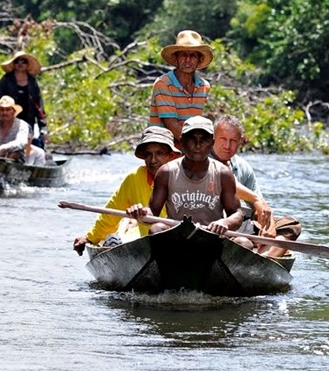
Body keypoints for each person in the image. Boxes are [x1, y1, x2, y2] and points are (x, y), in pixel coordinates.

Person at [127, 116, 252, 248]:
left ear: (212, 143)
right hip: (177, 239)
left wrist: (225, 223)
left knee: (244, 243)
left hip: (212, 239)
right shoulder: (166, 172)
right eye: (192, 139)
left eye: (203, 140)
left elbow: (237, 214)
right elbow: (153, 211)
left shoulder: (223, 173)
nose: (198, 145)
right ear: (182, 142)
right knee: (156, 229)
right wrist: (141, 212)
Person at [73, 126, 180, 255]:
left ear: (171, 156)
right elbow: (112, 212)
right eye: (148, 154)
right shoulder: (134, 178)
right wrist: (90, 237)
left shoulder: (183, 176)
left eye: (159, 153)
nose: (153, 160)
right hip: (146, 245)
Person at [211, 114, 302, 257]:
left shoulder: (242, 166)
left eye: (233, 141)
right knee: (241, 241)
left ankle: (264, 258)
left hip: (245, 224)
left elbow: (261, 205)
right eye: (223, 139)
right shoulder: (204, 161)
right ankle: (263, 253)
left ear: (240, 142)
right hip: (218, 222)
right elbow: (225, 182)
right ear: (213, 138)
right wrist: (255, 199)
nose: (227, 146)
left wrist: (269, 226)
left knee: (291, 226)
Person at [149, 30, 213, 146]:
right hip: (164, 149)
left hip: (189, 150)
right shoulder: (163, 84)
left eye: (193, 56)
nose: (188, 60)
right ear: (176, 58)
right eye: (184, 55)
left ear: (199, 60)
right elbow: (172, 125)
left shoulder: (204, 87)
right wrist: (196, 148)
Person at [0, 51, 48, 148]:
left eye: (23, 61)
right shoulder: (6, 80)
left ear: (27, 65)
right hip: (9, 117)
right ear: (14, 64)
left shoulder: (32, 81)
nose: (20, 64)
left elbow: (38, 103)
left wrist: (43, 126)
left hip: (29, 117)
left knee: (29, 142)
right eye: (17, 61)